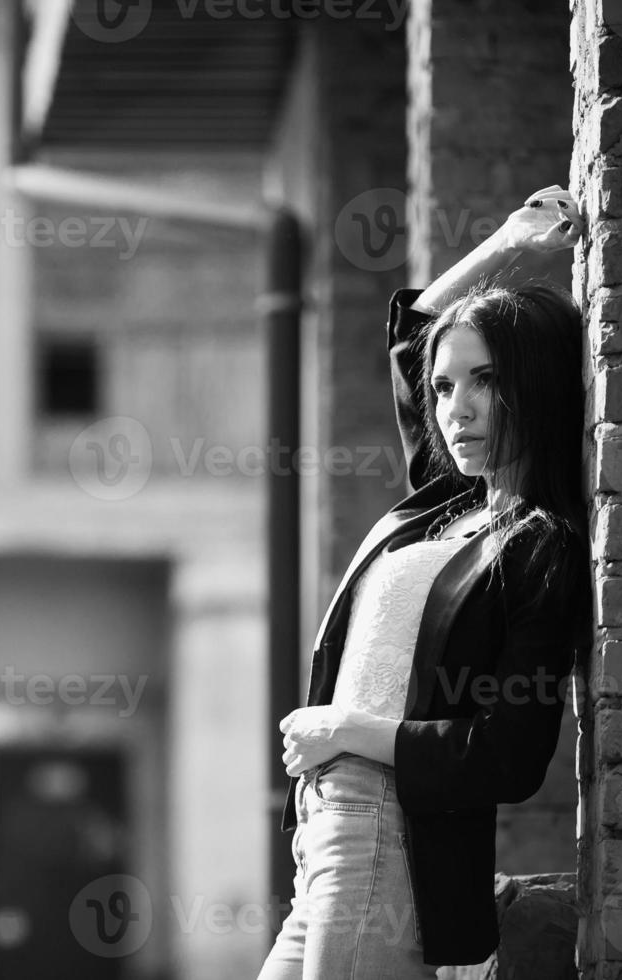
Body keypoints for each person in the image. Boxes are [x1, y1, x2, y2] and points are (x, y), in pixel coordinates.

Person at [256, 185, 593, 978]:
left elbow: (508, 755)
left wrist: (345, 732)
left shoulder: (538, 548)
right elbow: (413, 334)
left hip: (387, 838)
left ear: (535, 387)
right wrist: (515, 239)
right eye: (446, 388)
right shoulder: (440, 506)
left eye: (484, 381)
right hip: (324, 837)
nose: (456, 409)